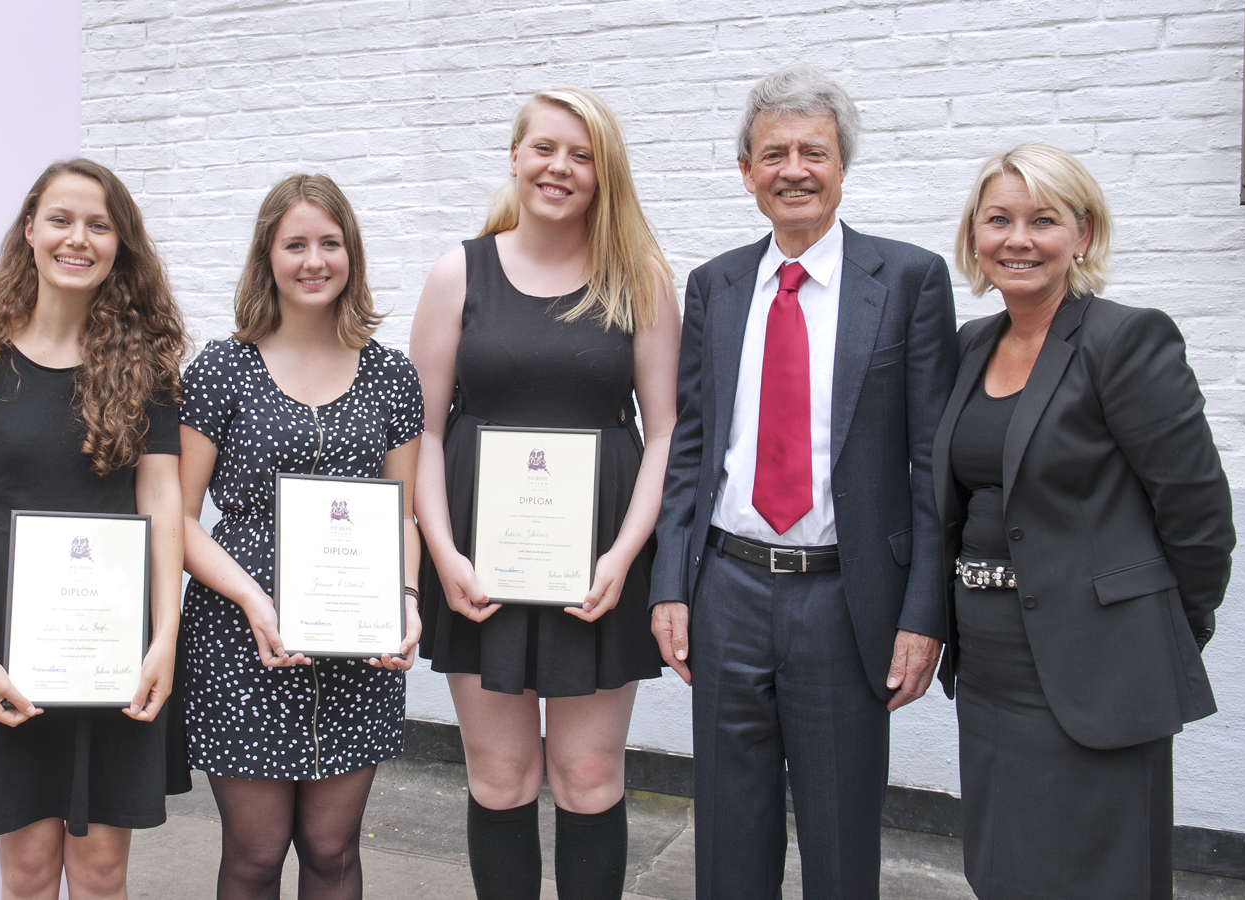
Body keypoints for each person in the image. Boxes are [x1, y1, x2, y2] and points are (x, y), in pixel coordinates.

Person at [649, 66, 958, 900]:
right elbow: (692, 446)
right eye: (773, 153)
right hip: (728, 589)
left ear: (842, 167)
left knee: (840, 838)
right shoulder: (715, 285)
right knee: (727, 834)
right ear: (746, 174)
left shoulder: (909, 282)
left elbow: (934, 464)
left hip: (846, 598)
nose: (794, 169)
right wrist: (671, 583)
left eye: (813, 152)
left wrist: (923, 613)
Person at [934, 143, 1235, 899]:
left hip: (1096, 661)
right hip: (991, 666)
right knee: (1004, 867)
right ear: (976, 236)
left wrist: (1163, 623)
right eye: (998, 219)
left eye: (1043, 220)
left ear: (1084, 235)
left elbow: (1197, 511)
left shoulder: (1125, 340)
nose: (1018, 239)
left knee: (1100, 875)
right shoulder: (971, 347)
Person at [410, 87, 680, 899]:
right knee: (499, 775)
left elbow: (665, 431)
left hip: (598, 560)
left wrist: (624, 558)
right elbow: (420, 431)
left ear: (605, 173)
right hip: (478, 564)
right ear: (516, 156)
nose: (560, 167)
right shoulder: (462, 270)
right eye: (545, 148)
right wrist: (443, 553)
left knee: (590, 774)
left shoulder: (642, 279)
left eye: (582, 153)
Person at [0, 159, 188, 899]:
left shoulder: (148, 365)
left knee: (102, 875)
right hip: (7, 637)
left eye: (99, 225)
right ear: (30, 229)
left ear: (119, 245)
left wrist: (163, 635)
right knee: (30, 874)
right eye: (63, 220)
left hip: (114, 639)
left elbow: (162, 503)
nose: (79, 239)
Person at [177, 173, 423, 900]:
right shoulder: (223, 369)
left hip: (358, 646)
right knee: (254, 857)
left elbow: (402, 512)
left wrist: (407, 599)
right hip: (240, 639)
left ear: (352, 255)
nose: (314, 260)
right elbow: (177, 518)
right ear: (268, 257)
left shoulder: (390, 375)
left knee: (332, 851)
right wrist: (256, 602)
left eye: (330, 243)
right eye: (295, 245)